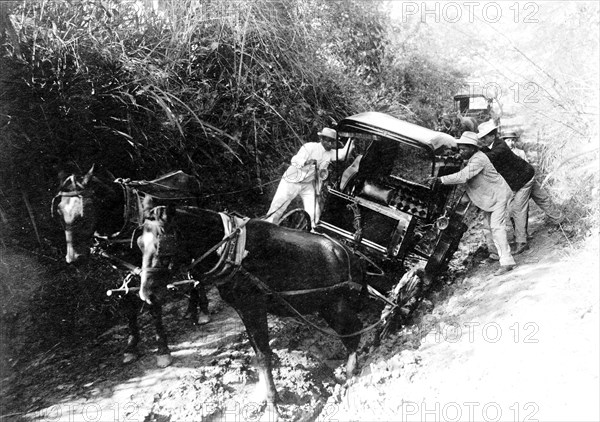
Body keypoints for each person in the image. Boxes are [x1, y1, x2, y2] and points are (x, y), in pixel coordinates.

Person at [431, 131, 516, 276]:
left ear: (473, 148)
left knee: (497, 228)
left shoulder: (479, 159)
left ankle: (507, 262)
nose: (461, 151)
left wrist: (440, 179)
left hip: (498, 196)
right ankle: (496, 255)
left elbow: (464, 176)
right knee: (488, 228)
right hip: (490, 198)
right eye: (460, 148)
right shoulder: (472, 158)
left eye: (464, 149)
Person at [266, 127, 354, 227]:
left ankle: (312, 231)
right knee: (278, 207)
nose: (330, 144)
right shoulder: (309, 147)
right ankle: (268, 227)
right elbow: (294, 160)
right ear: (321, 139)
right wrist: (306, 162)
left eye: (332, 142)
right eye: (328, 141)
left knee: (314, 212)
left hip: (307, 185)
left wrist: (352, 139)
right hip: (291, 181)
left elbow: (342, 155)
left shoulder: (331, 153)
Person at [477, 121, 535, 255]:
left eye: (485, 137)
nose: (483, 140)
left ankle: (522, 242)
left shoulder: (500, 147)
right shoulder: (489, 147)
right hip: (517, 180)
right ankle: (557, 220)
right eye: (481, 138)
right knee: (540, 199)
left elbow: (488, 157)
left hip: (524, 178)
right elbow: (482, 153)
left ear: (492, 135)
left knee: (517, 209)